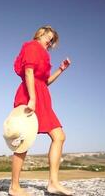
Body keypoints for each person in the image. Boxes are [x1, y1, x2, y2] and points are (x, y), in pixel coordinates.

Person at [9, 25, 75, 196]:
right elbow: (29, 72)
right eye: (49, 37)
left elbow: (44, 82)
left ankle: (53, 183)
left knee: (59, 136)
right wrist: (31, 98)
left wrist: (61, 69)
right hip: (29, 95)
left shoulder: (44, 54)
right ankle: (14, 186)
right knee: (23, 142)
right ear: (40, 34)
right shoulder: (31, 46)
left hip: (43, 98)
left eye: (52, 40)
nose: (50, 42)